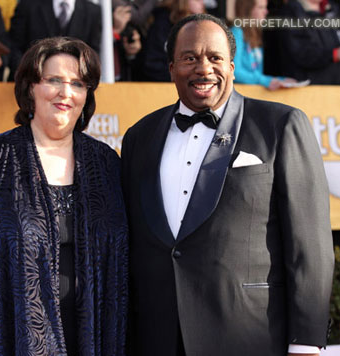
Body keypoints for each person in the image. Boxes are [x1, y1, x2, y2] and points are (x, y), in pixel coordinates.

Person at [121, 13, 334, 356]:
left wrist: (306, 341)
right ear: (171, 68)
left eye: (215, 58)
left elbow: (310, 244)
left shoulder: (280, 125)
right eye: (189, 58)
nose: (203, 69)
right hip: (158, 335)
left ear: (233, 67)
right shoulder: (139, 137)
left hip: (249, 335)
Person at [0, 37, 128, 356]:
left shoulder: (106, 164)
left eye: (77, 83)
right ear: (30, 87)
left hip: (93, 338)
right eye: (54, 80)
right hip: (8, 335)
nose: (66, 92)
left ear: (87, 95)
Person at [9, 0, 101, 80]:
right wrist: (27, 76)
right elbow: (14, 46)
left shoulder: (93, 11)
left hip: (71, 90)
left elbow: (92, 54)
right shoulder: (28, 5)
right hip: (27, 88)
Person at [232, 0, 296, 89]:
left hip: (253, 94)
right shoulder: (236, 33)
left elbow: (257, 75)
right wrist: (267, 81)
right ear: (248, 10)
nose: (266, 11)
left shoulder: (255, 34)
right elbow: (235, 72)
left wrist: (280, 80)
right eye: (261, 7)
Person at [140, 0, 205, 81]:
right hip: (164, 87)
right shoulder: (162, 24)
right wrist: (184, 76)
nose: (201, 2)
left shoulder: (206, 25)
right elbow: (152, 64)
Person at [278, 0, 340, 84]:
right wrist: (334, 54)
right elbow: (300, 52)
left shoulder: (331, 8)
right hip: (309, 86)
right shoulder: (292, 10)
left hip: (334, 84)